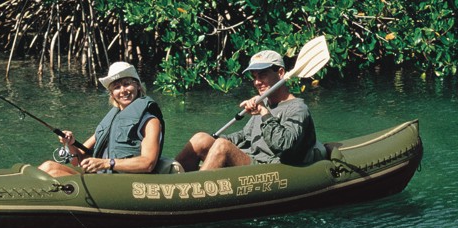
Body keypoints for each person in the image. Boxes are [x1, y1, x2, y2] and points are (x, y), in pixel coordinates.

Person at [175, 49, 322, 171]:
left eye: (263, 75)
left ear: (281, 73)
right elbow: (246, 136)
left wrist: (264, 113)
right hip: (251, 158)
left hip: (272, 169)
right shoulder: (265, 102)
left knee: (223, 147)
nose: (257, 82)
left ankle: (194, 192)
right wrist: (213, 141)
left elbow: (284, 146)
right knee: (202, 138)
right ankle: (169, 177)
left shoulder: (298, 108)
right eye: (254, 77)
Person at [38, 62, 164, 177]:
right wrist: (70, 143)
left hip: (126, 181)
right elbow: (77, 160)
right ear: (112, 93)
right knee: (48, 166)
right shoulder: (112, 121)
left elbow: (148, 163)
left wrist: (106, 163)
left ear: (138, 86)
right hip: (102, 176)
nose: (123, 90)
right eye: (117, 87)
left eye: (127, 84)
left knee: (54, 174)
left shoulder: (150, 121)